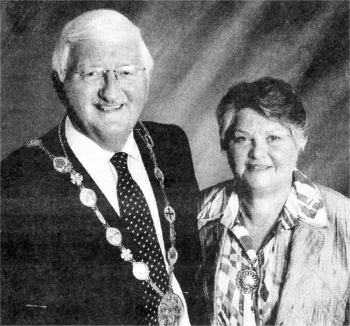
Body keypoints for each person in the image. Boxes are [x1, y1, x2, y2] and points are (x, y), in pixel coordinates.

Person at [1, 9, 202, 326]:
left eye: (126, 72)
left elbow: (193, 271)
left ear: (146, 77)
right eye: (92, 74)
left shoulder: (170, 145)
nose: (111, 92)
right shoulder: (21, 179)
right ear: (60, 83)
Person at [197, 77, 350, 326]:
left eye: (273, 138)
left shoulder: (345, 220)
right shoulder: (194, 215)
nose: (258, 152)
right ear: (226, 144)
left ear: (299, 142)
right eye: (242, 139)